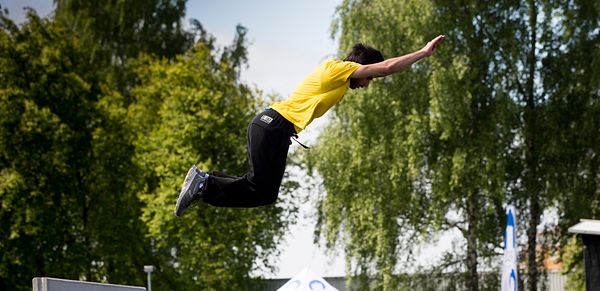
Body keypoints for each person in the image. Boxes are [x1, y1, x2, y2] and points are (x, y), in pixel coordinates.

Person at [174, 35, 446, 216]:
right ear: (363, 68)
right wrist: (422, 53)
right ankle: (205, 184)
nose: (366, 85)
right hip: (273, 125)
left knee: (263, 191)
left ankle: (205, 181)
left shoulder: (337, 78)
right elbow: (386, 67)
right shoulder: (337, 69)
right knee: (259, 187)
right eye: (368, 78)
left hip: (275, 129)